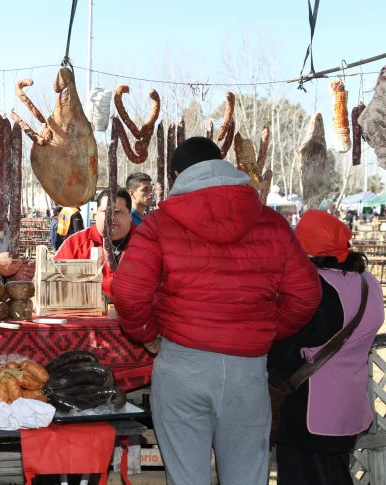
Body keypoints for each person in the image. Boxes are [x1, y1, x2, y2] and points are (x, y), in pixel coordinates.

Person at [112, 137, 322, 485]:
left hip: (182, 364)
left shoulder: (160, 223)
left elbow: (129, 293)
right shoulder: (271, 223)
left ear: (178, 174)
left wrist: (148, 336)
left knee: (187, 477)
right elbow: (306, 296)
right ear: (222, 164)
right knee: (246, 477)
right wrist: (264, 330)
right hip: (247, 370)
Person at [268, 211, 383, 485]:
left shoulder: (313, 286)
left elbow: (287, 346)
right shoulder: (370, 282)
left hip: (307, 406)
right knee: (335, 475)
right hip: (350, 404)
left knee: (302, 476)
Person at [55, 188, 134, 298]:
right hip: (87, 313)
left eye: (117, 212)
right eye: (106, 212)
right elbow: (53, 280)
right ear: (97, 214)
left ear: (130, 215)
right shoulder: (75, 244)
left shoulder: (147, 244)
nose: (111, 218)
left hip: (137, 313)